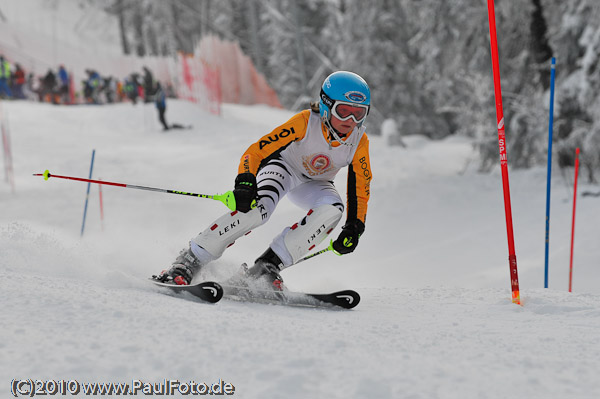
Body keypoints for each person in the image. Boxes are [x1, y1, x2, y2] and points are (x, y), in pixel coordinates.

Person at [154, 71, 372, 289]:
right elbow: (256, 151)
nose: (351, 121)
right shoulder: (305, 122)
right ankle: (190, 259)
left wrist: (354, 226)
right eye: (343, 112)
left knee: (333, 209)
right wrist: (245, 181)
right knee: (259, 208)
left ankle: (267, 266)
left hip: (316, 184)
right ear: (326, 105)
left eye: (358, 114)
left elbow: (360, 189)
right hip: (284, 168)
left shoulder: (359, 141)